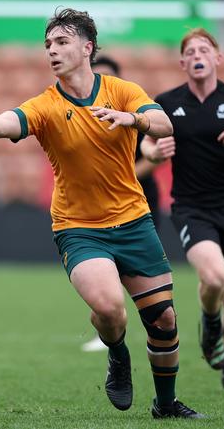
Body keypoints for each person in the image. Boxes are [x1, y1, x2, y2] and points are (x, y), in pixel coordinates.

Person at [0, 9, 203, 419]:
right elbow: (4, 125)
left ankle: (165, 406)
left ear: (87, 47)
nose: (52, 51)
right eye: (47, 45)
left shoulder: (121, 90)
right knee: (111, 310)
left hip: (133, 220)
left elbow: (164, 125)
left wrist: (130, 118)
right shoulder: (46, 106)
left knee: (163, 319)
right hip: (79, 229)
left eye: (61, 42)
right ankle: (117, 354)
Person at [141, 28, 224, 394]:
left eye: (205, 49)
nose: (198, 55)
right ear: (183, 62)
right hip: (190, 207)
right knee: (215, 279)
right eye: (190, 51)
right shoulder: (167, 102)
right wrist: (156, 152)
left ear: (217, 58)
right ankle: (210, 321)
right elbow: (147, 150)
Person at [81, 55, 163, 353]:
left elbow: (154, 155)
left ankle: (139, 324)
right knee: (106, 278)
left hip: (140, 200)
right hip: (96, 209)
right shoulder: (80, 114)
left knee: (135, 275)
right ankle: (112, 325)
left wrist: (117, 177)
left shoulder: (131, 111)